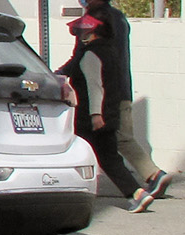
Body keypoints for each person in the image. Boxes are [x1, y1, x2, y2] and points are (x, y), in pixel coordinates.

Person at [75, 0, 174, 211]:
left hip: (104, 92)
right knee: (117, 139)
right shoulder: (118, 18)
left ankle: (151, 177)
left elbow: (83, 57)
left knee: (114, 139)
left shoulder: (94, 22)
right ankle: (150, 178)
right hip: (121, 86)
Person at [59, 13, 144, 202]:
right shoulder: (110, 52)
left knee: (75, 152)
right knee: (110, 158)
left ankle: (68, 193)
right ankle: (137, 193)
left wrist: (95, 114)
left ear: (91, 33)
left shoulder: (90, 55)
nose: (79, 36)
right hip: (110, 113)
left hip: (91, 118)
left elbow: (94, 86)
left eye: (82, 32)